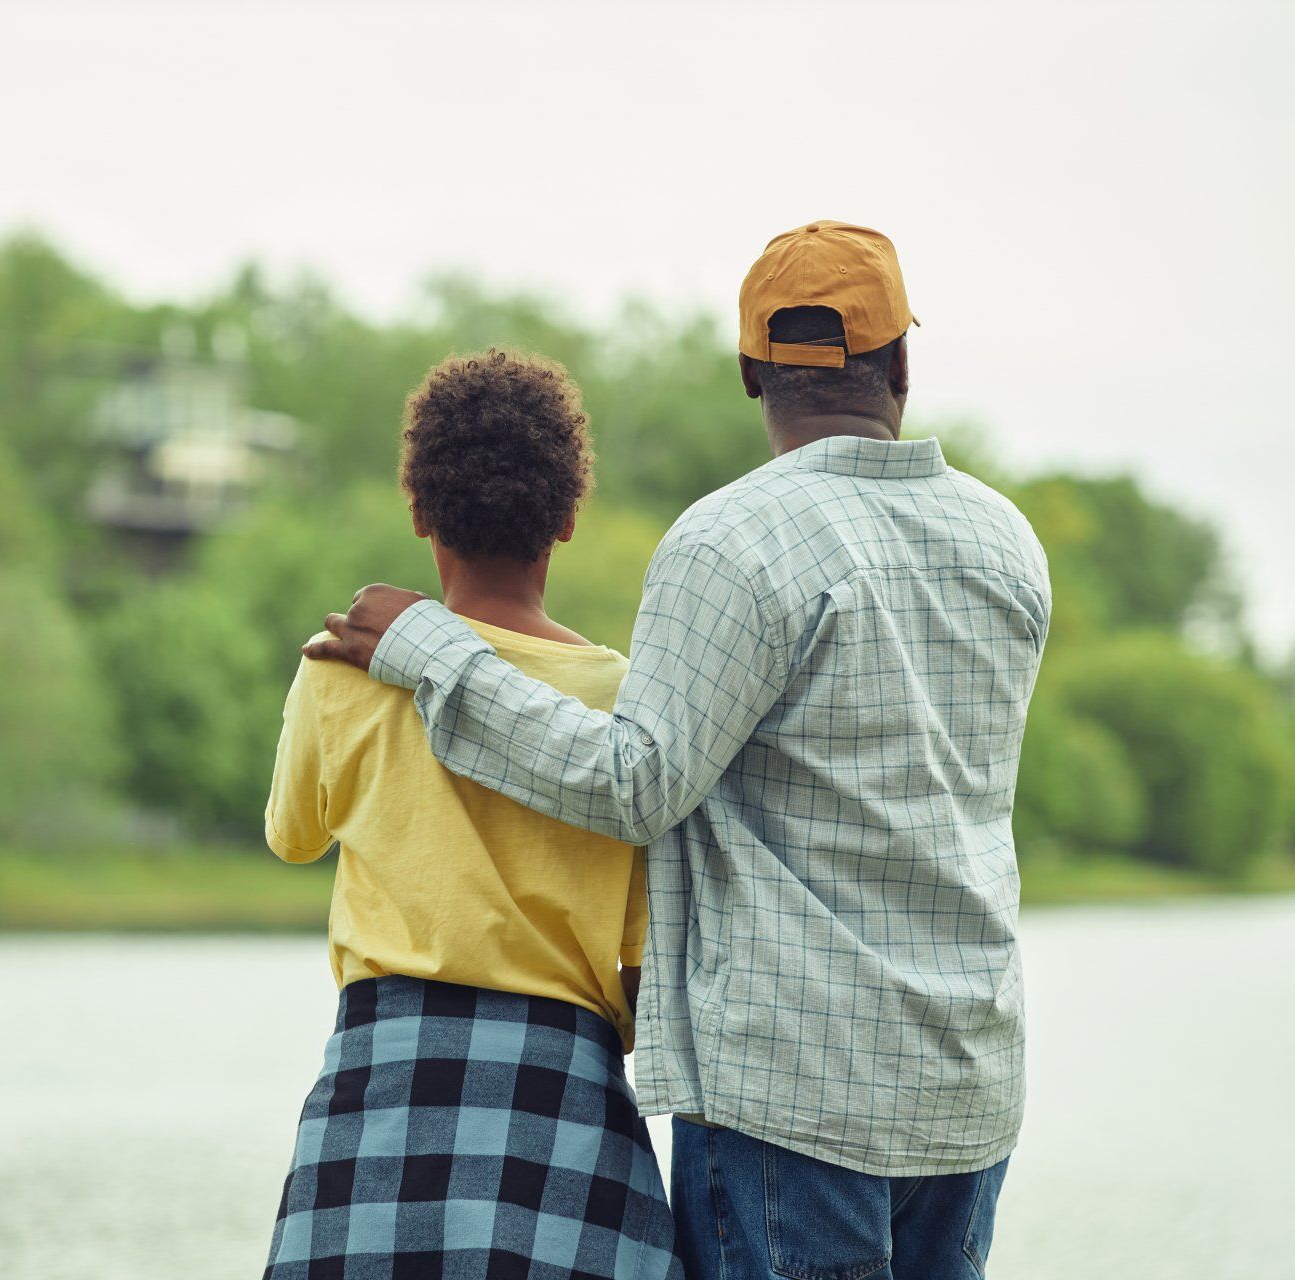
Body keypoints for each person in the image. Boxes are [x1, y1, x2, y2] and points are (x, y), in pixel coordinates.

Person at [306, 222, 1050, 1280]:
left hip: (794, 1097)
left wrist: (433, 653)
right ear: (901, 363)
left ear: (752, 371)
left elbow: (634, 780)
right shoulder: (1005, 540)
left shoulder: (730, 539)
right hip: (968, 1083)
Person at [262, 349, 679, 1279]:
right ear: (567, 522)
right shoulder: (624, 699)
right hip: (561, 1077)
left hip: (382, 1065)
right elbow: (647, 954)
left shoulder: (342, 670)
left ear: (420, 513)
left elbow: (292, 837)